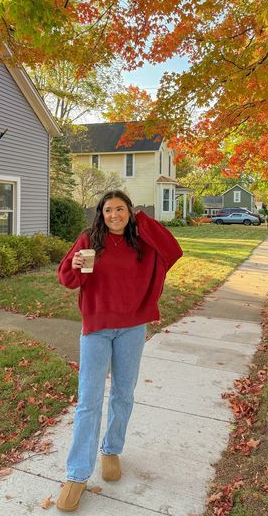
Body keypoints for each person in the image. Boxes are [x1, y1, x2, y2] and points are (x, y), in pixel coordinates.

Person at [56, 190, 183, 512]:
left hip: (132, 328)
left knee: (123, 393)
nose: (115, 215)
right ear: (101, 213)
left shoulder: (142, 242)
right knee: (89, 401)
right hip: (97, 328)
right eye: (109, 209)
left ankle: (111, 449)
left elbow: (174, 249)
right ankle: (77, 474)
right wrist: (76, 265)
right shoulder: (89, 240)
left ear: (130, 212)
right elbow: (68, 280)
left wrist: (144, 220)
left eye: (121, 209)